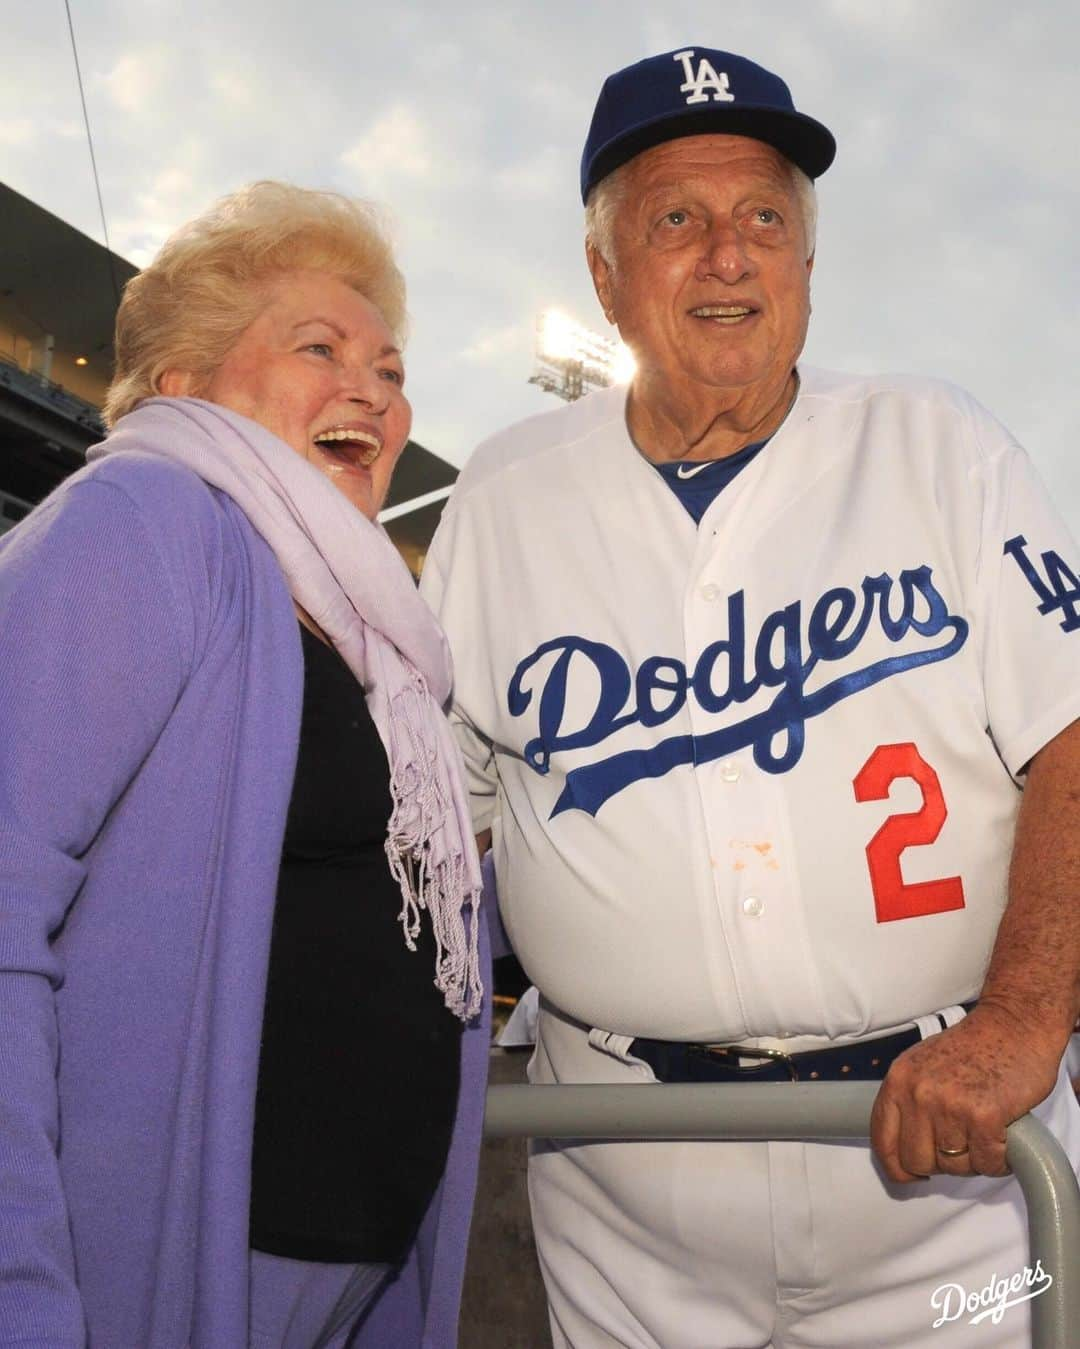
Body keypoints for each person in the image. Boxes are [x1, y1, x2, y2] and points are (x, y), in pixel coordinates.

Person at [421, 47, 1080, 1348]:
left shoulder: (940, 446)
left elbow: (1071, 735)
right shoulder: (502, 500)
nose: (729, 254)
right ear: (605, 277)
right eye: (677, 219)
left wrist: (1023, 1016)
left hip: (952, 1168)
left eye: (764, 218)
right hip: (627, 1174)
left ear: (809, 265)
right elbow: (433, 823)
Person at [0, 181, 490, 1349]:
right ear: (184, 382)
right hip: (151, 1277)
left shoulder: (373, 644)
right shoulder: (148, 516)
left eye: (389, 364)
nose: (373, 387)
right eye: (318, 346)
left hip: (344, 1281)